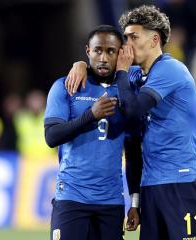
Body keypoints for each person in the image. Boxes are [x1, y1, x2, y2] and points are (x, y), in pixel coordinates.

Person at [65, 5, 196, 240]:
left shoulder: (171, 69)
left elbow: (133, 111)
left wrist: (122, 72)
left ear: (155, 39)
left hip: (182, 180)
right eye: (125, 38)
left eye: (133, 37)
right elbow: (100, 68)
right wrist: (80, 64)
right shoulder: (136, 76)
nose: (126, 45)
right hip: (152, 185)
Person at [44, 25, 142, 240]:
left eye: (111, 51)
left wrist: (135, 202)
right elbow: (52, 137)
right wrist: (91, 115)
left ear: (121, 53)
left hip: (111, 202)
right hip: (71, 197)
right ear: (88, 51)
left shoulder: (129, 88)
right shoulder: (66, 86)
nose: (104, 58)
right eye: (98, 51)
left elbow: (134, 152)